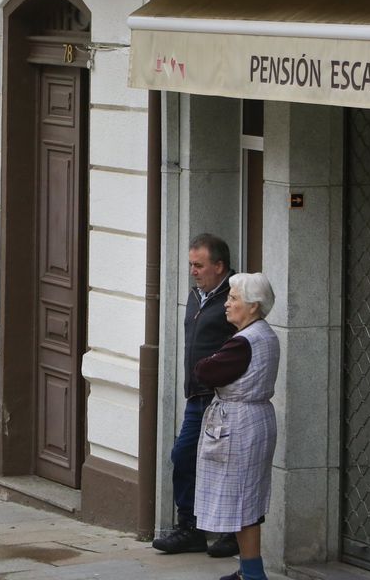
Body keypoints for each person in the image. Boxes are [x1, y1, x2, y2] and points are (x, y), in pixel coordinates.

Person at [152, 233, 238, 557]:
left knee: (225, 464)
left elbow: (240, 347)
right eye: (191, 264)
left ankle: (231, 532)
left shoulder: (233, 298)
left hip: (222, 398)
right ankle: (189, 528)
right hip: (196, 397)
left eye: (199, 265)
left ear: (219, 266)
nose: (193, 271)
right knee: (183, 456)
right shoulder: (197, 296)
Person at [194, 272, 280, 580]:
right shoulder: (263, 334)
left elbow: (207, 370)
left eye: (233, 299)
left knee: (245, 504)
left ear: (253, 306)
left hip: (242, 425)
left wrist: (207, 361)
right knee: (249, 502)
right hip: (255, 420)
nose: (227, 304)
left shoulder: (245, 342)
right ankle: (248, 570)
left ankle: (254, 575)